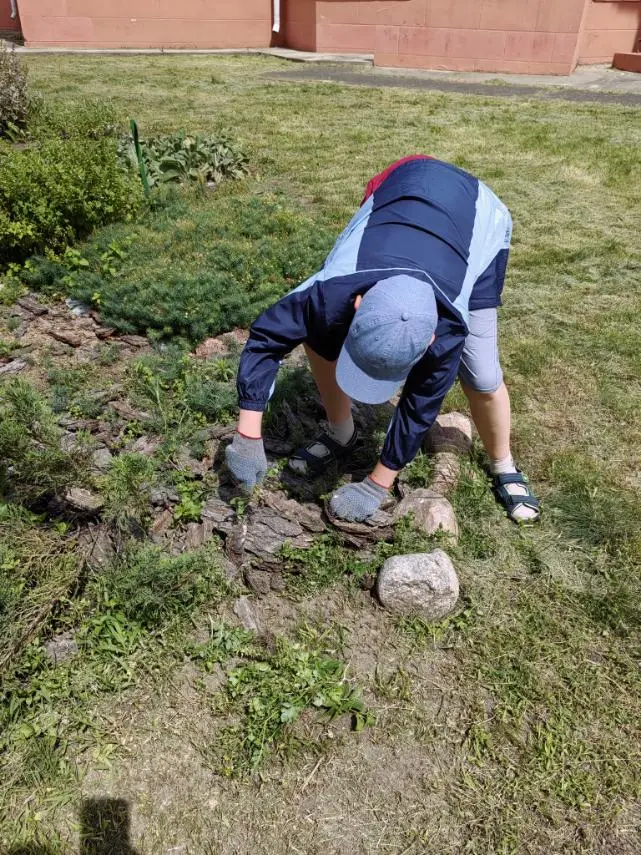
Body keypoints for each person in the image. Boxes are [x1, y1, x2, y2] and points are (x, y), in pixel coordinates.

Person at [224, 155, 540, 524]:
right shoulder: (328, 292)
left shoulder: (448, 332)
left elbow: (418, 407)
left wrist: (377, 484)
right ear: (358, 303)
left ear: (430, 340)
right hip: (400, 187)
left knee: (482, 377)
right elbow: (266, 339)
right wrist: (247, 434)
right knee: (321, 335)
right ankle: (341, 433)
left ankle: (503, 464)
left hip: (476, 218)